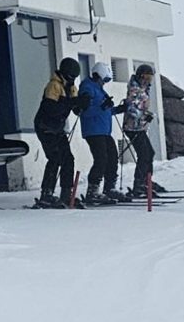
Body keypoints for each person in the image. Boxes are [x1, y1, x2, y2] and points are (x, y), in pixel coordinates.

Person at [33, 57, 90, 208]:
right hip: (45, 126)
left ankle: (66, 194)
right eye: (70, 77)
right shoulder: (53, 85)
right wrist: (73, 102)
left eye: (74, 78)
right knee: (55, 158)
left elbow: (76, 109)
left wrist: (83, 104)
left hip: (57, 128)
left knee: (68, 159)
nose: (72, 80)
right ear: (64, 73)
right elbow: (51, 109)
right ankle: (46, 193)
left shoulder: (71, 88)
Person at [78, 62, 126, 204]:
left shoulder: (99, 89)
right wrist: (103, 107)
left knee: (112, 157)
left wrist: (118, 109)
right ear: (98, 75)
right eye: (104, 79)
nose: (105, 82)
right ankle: (92, 191)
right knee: (101, 159)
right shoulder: (87, 88)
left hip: (103, 130)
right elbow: (85, 112)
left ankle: (109, 187)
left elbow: (104, 111)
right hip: (93, 130)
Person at [122, 63, 168, 196]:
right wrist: (145, 116)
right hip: (132, 127)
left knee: (149, 153)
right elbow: (132, 109)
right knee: (144, 155)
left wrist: (145, 116)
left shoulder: (143, 89)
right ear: (141, 76)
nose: (149, 80)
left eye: (150, 78)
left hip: (139, 127)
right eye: (147, 77)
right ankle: (139, 184)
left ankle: (146, 181)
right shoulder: (135, 89)